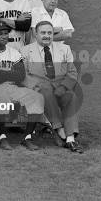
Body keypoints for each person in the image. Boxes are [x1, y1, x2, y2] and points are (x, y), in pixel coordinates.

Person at [0, 21, 45, 151]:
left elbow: (20, 76)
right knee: (1, 98)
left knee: (37, 98)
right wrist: (9, 73)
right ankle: (0, 137)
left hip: (13, 87)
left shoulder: (14, 53)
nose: (4, 36)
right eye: (0, 34)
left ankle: (27, 137)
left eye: (6, 33)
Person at [21, 21, 83, 153]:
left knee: (70, 96)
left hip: (60, 85)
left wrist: (64, 87)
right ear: (36, 34)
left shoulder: (64, 49)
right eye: (43, 33)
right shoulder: (25, 51)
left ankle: (70, 138)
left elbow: (72, 72)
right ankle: (59, 128)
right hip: (40, 87)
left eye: (49, 33)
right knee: (46, 91)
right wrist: (36, 86)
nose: (46, 36)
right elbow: (24, 75)